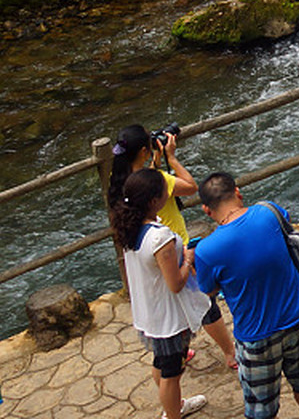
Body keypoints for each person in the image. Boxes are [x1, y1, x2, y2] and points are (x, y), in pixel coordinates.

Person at [192, 173, 299, 419]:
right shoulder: (268, 212)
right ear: (238, 192)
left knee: (260, 403)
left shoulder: (206, 250)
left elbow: (209, 289)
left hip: (254, 335)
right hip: (296, 317)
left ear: (206, 209)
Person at [109, 123, 240, 368]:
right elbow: (190, 187)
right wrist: (171, 157)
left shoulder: (123, 183)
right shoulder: (157, 180)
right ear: (144, 152)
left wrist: (155, 163)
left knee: (174, 305)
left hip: (145, 251)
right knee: (205, 303)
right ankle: (230, 353)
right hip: (172, 245)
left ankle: (177, 351)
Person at [110, 169, 212, 419]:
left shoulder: (129, 228)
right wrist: (187, 258)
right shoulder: (160, 237)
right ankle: (173, 412)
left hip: (149, 312)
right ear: (154, 200)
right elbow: (175, 283)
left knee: (162, 363)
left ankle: (173, 407)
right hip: (168, 318)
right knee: (171, 373)